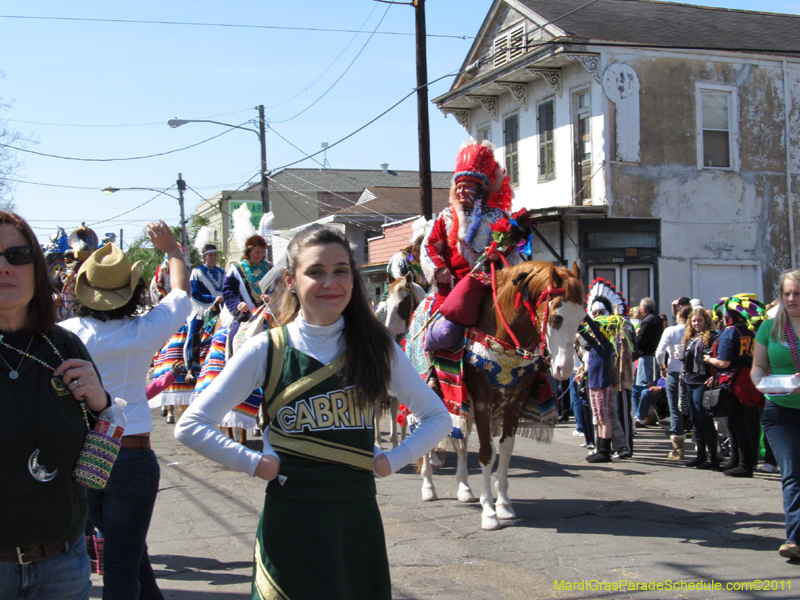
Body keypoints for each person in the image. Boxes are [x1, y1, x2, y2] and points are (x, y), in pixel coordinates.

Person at [175, 225, 451, 600]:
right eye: (315, 272)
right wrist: (255, 463)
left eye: (341, 271)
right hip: (290, 519)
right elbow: (191, 425)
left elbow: (438, 417)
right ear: (290, 280)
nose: (330, 282)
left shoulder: (377, 348)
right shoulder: (267, 349)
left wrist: (393, 460)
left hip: (356, 520)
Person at [60, 220, 191, 600]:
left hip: (89, 455)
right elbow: (180, 290)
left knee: (129, 557)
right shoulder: (145, 331)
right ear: (131, 291)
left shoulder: (67, 333)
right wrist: (172, 251)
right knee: (123, 564)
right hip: (132, 453)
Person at [0, 211, 109, 600]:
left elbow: (99, 467)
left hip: (62, 566)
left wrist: (103, 406)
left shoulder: (64, 346)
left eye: (17, 254)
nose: (4, 266)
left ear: (36, 266)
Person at [421, 140, 519, 351]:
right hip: (453, 291)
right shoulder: (446, 217)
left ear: (481, 190)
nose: (462, 192)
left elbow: (511, 247)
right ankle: (433, 374)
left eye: (467, 188)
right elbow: (429, 246)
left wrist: (499, 252)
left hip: (489, 289)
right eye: (459, 187)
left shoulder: (498, 217)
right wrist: (440, 267)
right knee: (444, 335)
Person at [752, 270, 800, 560]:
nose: (792, 298)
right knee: (792, 473)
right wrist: (768, 384)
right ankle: (794, 539)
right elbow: (758, 368)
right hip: (780, 411)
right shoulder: (769, 328)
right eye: (787, 293)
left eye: (797, 293)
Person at [706, 296, 765, 477]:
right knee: (741, 423)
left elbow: (724, 362)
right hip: (750, 380)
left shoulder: (730, 332)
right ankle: (737, 460)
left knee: (739, 424)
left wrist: (708, 359)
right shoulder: (750, 332)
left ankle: (745, 465)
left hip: (736, 382)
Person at [679, 307, 719, 470]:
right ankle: (700, 455)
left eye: (699, 320)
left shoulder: (712, 337)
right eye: (694, 321)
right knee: (695, 419)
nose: (696, 324)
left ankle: (714, 457)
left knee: (705, 418)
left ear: (706, 321)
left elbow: (716, 358)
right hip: (688, 380)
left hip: (702, 381)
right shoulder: (690, 337)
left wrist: (713, 376)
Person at [578, 315, 618, 463]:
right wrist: (575, 321)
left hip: (602, 385)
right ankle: (600, 447)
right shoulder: (595, 346)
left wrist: (586, 317)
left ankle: (605, 451)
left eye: (597, 332)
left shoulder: (606, 345)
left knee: (604, 417)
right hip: (593, 385)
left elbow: (595, 330)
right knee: (598, 418)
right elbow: (584, 333)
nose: (593, 334)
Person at [184, 243, 225, 383]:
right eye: (210, 255)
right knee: (194, 332)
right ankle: (190, 367)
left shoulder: (222, 272)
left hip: (221, 308)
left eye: (215, 255)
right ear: (204, 257)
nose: (213, 257)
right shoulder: (197, 272)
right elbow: (195, 293)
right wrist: (213, 299)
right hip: (203, 308)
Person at [657, 304, 692, 459]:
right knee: (695, 408)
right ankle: (701, 445)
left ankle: (679, 449)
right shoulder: (694, 330)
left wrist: (662, 367)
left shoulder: (670, 331)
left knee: (675, 409)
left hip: (673, 371)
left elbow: (659, 352)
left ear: (678, 316)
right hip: (691, 372)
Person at [222, 234, 272, 342]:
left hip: (268, 312)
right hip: (245, 315)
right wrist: (237, 304)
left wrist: (271, 297)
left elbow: (279, 288)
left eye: (263, 251)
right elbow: (228, 291)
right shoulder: (236, 268)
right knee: (232, 338)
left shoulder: (270, 267)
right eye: (257, 252)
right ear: (249, 251)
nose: (260, 255)